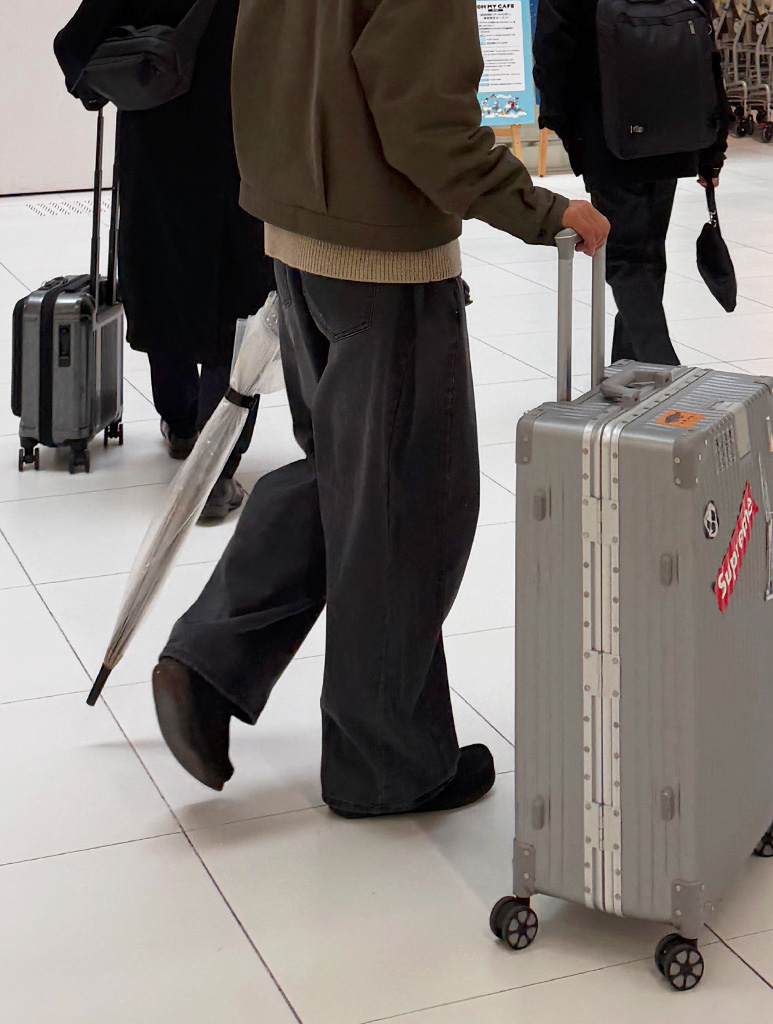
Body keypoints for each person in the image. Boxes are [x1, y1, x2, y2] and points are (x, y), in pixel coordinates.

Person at [150, 0, 610, 817]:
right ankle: (385, 761)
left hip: (296, 232)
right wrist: (542, 210)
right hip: (380, 257)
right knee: (408, 503)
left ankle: (209, 664)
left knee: (349, 477)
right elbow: (426, 127)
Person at [54, 0, 273, 520]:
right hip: (243, 160)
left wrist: (115, 82)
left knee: (163, 288)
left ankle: (180, 424)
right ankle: (215, 472)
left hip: (157, 160)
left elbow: (73, 46)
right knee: (235, 312)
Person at [534, 0, 730, 367]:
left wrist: (570, 132)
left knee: (629, 261)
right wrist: (712, 146)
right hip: (676, 130)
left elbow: (553, 53)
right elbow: (706, 54)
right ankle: (630, 370)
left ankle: (664, 371)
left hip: (606, 137)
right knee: (648, 256)